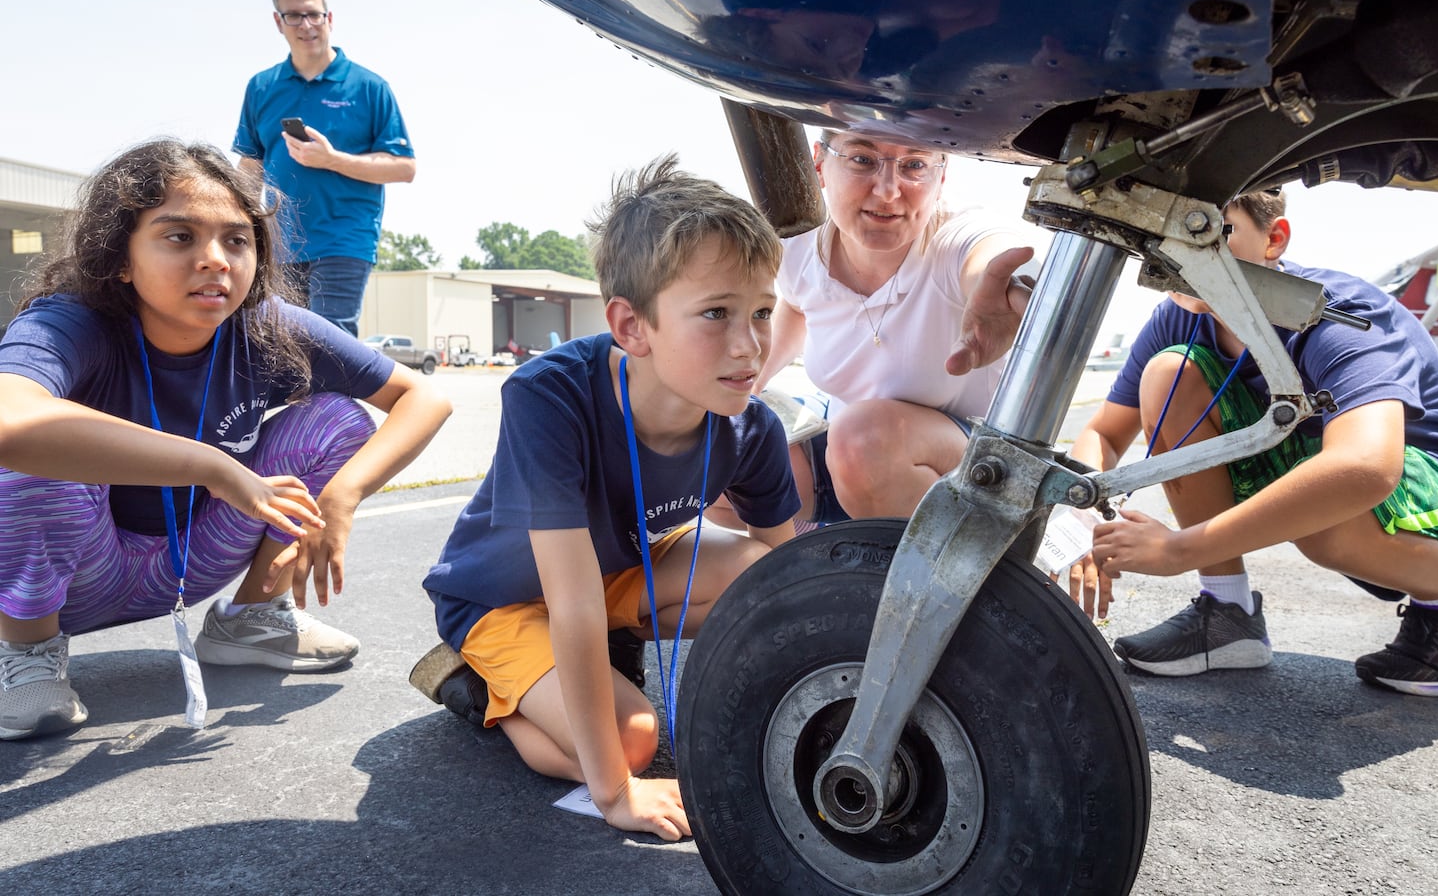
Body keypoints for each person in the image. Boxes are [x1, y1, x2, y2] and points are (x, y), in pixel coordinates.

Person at [0, 140, 452, 741]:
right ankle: (26, 653)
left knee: (337, 419)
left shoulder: (264, 325)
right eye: (180, 236)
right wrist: (214, 466)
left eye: (237, 240)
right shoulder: (72, 321)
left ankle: (252, 616)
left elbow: (425, 397)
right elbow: (9, 421)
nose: (216, 260)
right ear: (121, 258)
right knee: (38, 447)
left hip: (193, 559)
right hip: (76, 572)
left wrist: (343, 497)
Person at [410, 156, 799, 840]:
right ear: (631, 327)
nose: (750, 345)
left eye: (762, 312)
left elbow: (791, 581)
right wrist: (616, 793)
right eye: (716, 313)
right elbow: (573, 598)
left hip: (621, 571)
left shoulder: (751, 423)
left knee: (757, 573)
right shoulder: (548, 396)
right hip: (507, 599)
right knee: (631, 744)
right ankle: (474, 685)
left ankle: (587, 670)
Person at [1068, 190, 1438, 696]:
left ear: (1274, 239)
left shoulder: (1333, 312)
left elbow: (1363, 467)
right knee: (1170, 373)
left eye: (1207, 228)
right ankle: (1227, 611)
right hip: (1330, 465)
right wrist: (1081, 518)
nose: (1178, 250)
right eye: (1161, 232)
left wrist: (1178, 550)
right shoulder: (1184, 312)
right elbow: (1102, 434)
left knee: (1323, 508)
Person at [756, 128, 1040, 524]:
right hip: (850, 462)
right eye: (863, 160)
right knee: (732, 448)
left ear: (941, 178)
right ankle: (805, 569)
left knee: (863, 441)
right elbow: (798, 305)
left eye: (914, 165)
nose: (888, 191)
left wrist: (998, 282)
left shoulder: (952, 241)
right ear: (820, 164)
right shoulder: (800, 252)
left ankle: (955, 574)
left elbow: (988, 254)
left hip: (975, 468)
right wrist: (751, 382)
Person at [233, 0, 416, 335]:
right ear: (277, 22)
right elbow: (249, 168)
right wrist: (236, 225)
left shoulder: (369, 87)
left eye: (314, 14)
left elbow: (404, 168)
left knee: (331, 342)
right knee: (281, 343)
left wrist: (332, 159)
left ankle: (335, 396)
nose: (306, 24)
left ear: (330, 18)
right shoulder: (262, 87)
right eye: (294, 16)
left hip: (343, 239)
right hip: (280, 242)